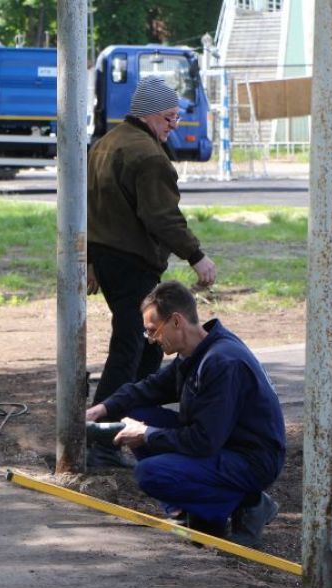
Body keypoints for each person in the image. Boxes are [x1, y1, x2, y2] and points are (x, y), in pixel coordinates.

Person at [85, 281, 285, 548]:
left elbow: (203, 441)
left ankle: (246, 503)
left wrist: (147, 434)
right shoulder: (197, 350)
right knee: (135, 412)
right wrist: (104, 408)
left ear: (176, 321)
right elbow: (153, 387)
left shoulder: (221, 363)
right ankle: (200, 512)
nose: (151, 340)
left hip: (251, 460)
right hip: (225, 445)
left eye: (153, 331)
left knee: (150, 474)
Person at [86, 75, 217, 468]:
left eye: (176, 117)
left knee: (144, 346)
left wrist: (90, 259)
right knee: (131, 346)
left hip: (109, 260)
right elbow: (162, 217)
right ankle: (100, 439)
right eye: (170, 117)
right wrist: (196, 256)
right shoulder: (148, 156)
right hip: (133, 261)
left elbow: (88, 206)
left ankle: (126, 428)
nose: (174, 125)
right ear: (148, 115)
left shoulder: (104, 145)